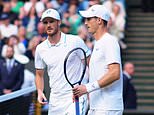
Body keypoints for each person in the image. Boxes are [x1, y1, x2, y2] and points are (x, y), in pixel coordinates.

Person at [35, 8, 91, 115]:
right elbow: (39, 74)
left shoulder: (75, 41)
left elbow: (90, 63)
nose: (48, 25)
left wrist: (89, 88)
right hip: (55, 100)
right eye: (45, 22)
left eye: (51, 21)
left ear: (59, 22)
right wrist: (40, 91)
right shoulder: (40, 49)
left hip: (76, 97)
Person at [72, 4, 123, 115]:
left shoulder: (109, 41)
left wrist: (87, 88)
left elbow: (115, 73)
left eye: (89, 19)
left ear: (99, 20)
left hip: (107, 108)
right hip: (96, 107)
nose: (86, 23)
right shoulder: (98, 43)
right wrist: (82, 91)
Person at [0, 45, 24, 115]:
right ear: (5, 52)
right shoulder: (0, 63)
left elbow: (20, 80)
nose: (9, 53)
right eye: (8, 51)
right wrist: (3, 90)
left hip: (14, 96)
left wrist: (12, 91)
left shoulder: (19, 64)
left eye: (11, 51)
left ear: (13, 52)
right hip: (2, 95)